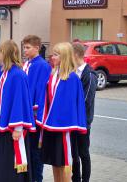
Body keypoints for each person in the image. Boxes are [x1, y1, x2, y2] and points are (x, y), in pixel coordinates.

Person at [0, 40, 36, 182]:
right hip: (2, 125)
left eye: (0, 51)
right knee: (1, 163)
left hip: (12, 128)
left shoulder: (17, 75)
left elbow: (19, 101)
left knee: (10, 165)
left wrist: (18, 128)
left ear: (5, 54)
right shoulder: (5, 72)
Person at [37, 42, 87, 182]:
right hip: (50, 126)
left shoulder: (71, 79)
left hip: (62, 127)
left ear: (64, 57)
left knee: (65, 162)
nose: (52, 57)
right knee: (55, 161)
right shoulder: (53, 75)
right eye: (53, 53)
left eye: (56, 54)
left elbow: (69, 106)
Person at [22, 35, 52, 182]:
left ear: (37, 48)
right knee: (27, 152)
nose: (25, 50)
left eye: (28, 48)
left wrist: (36, 112)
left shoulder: (42, 65)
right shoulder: (27, 63)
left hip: (34, 116)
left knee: (35, 154)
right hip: (25, 115)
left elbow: (41, 91)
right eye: (24, 47)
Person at [71, 43, 97, 182]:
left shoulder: (90, 74)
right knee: (73, 153)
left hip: (83, 122)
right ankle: (75, 178)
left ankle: (85, 180)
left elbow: (86, 100)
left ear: (75, 55)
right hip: (72, 122)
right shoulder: (72, 72)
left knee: (83, 153)